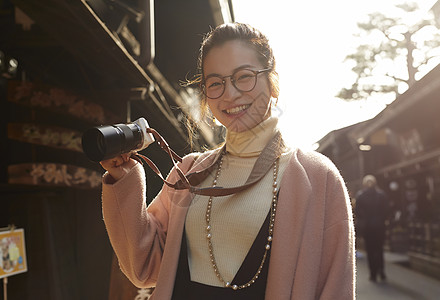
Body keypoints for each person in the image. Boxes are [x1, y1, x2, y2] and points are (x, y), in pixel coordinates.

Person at [100, 22, 355, 299]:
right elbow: (143, 266)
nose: (230, 94)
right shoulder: (189, 171)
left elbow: (336, 289)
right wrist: (122, 177)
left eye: (244, 77)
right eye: (216, 83)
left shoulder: (316, 176)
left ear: (273, 82)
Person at [355, 174, 389, 282]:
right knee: (379, 249)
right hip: (379, 226)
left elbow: (358, 212)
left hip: (368, 227)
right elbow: (386, 211)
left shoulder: (360, 195)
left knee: (370, 250)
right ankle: (381, 270)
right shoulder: (381, 195)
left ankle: (373, 273)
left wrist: (364, 220)